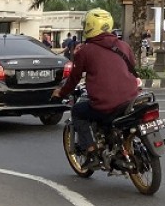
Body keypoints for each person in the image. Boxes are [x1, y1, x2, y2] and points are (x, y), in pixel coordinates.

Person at [51, 9, 141, 158]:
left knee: (78, 112)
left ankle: (91, 149)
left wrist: (61, 92)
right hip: (131, 99)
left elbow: (74, 78)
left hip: (107, 105)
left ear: (91, 26)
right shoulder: (124, 46)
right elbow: (132, 67)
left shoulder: (85, 51)